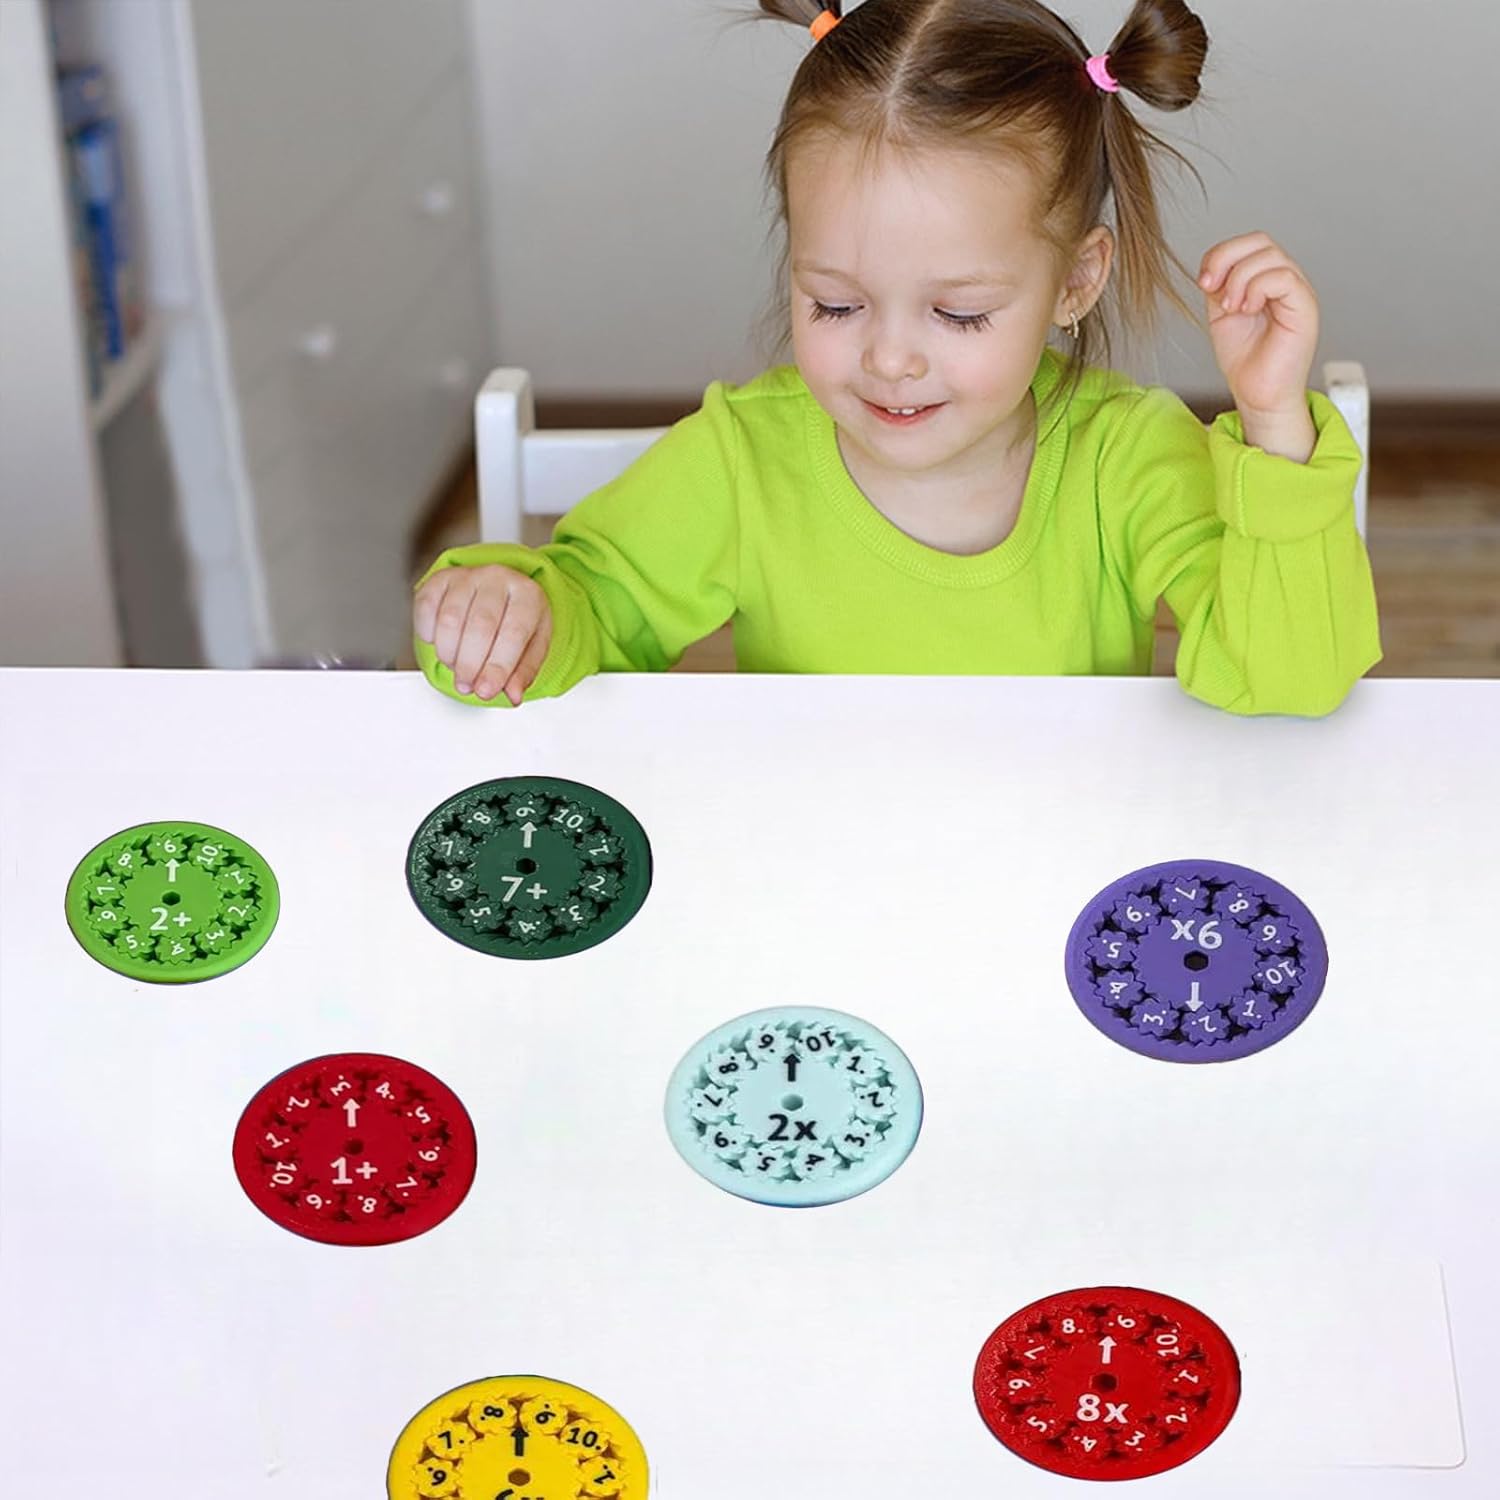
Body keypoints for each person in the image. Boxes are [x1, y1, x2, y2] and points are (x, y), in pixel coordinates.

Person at [412, 0, 1380, 715]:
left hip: (1056, 870)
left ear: (1076, 282)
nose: (888, 359)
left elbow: (1288, 683)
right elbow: (592, 606)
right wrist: (511, 612)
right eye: (835, 304)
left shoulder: (1126, 459)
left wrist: (1273, 426)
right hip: (818, 872)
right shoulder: (744, 458)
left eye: (958, 313)